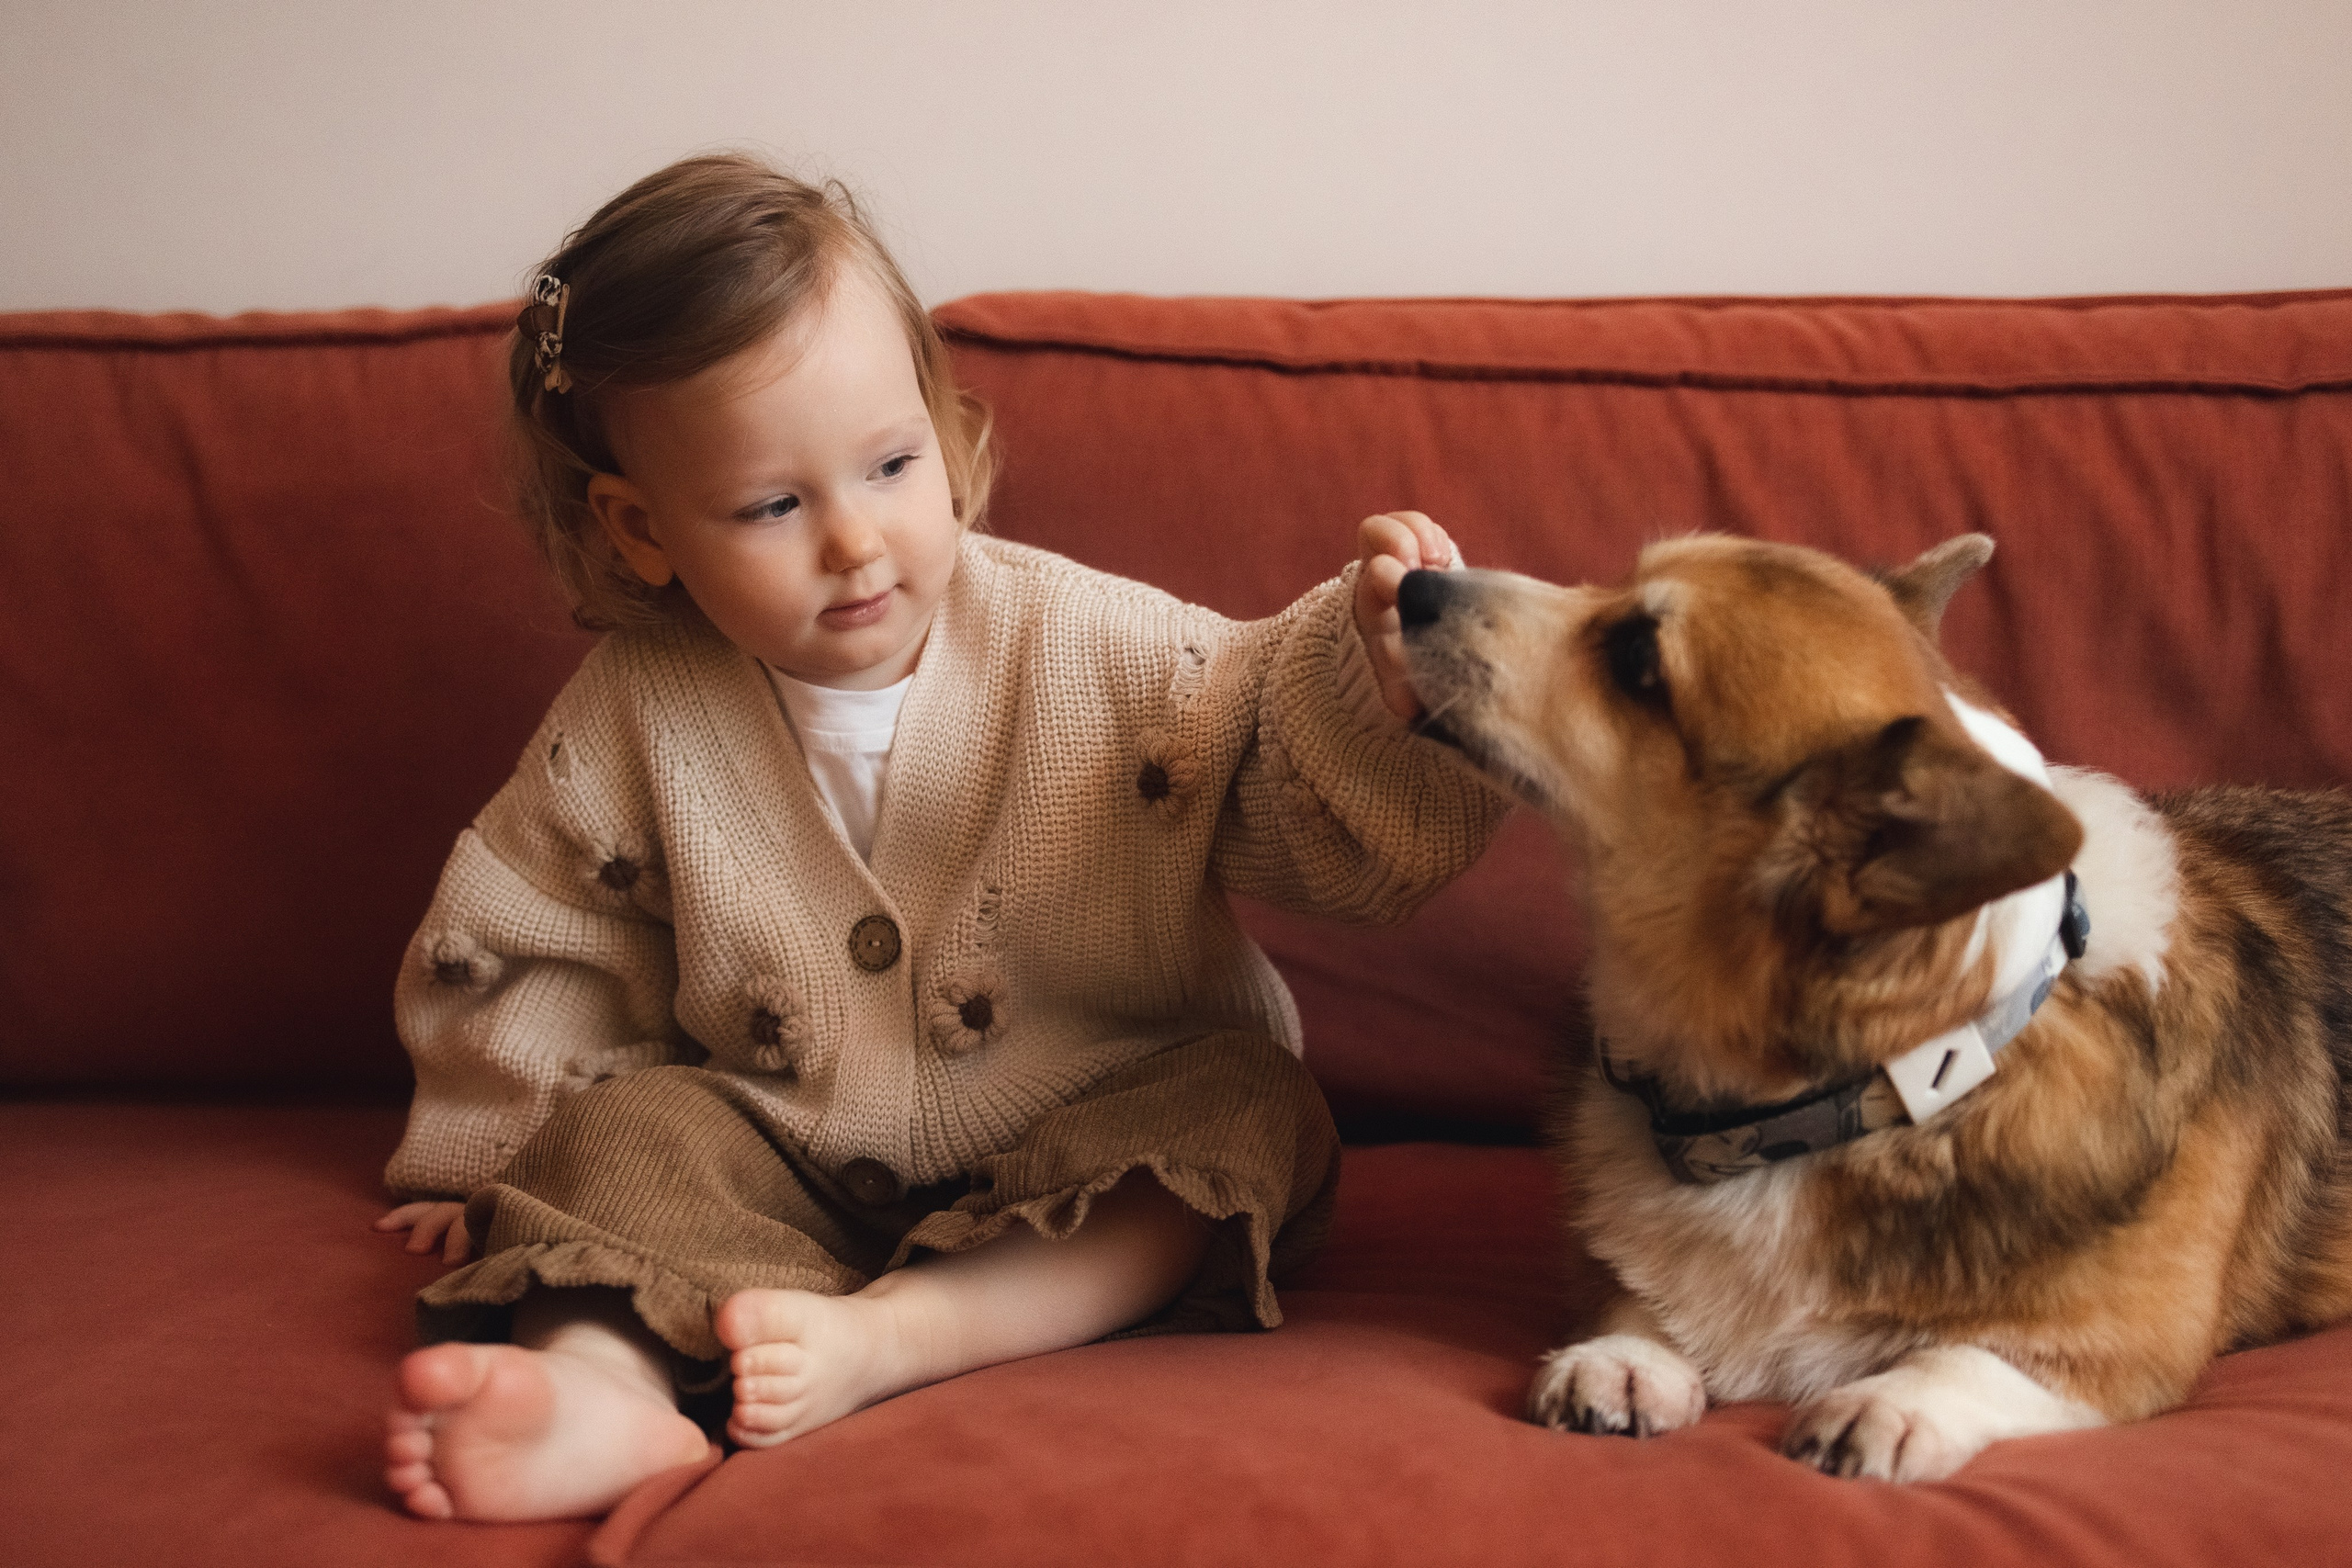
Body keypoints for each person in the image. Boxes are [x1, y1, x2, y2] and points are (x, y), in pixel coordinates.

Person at [374, 151, 1506, 1522]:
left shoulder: (1096, 647)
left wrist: (1376, 693)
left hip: (1091, 1122)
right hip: (783, 1143)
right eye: (774, 507)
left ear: (951, 434)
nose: (856, 542)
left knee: (1246, 1109)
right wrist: (485, 1148)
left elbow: (1269, 760)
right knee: (618, 1137)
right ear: (643, 527)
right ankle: (602, 1392)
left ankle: (914, 1331)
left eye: (891, 464)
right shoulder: (636, 716)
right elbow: (540, 924)